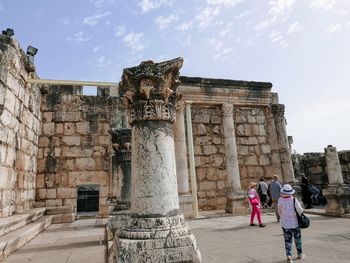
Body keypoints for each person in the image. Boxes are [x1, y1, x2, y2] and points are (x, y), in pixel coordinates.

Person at [278, 184, 306, 262]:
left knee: (287, 240)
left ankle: (289, 255)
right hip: (295, 223)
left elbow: (279, 211)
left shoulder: (280, 200)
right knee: (298, 239)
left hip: (285, 224)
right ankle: (299, 254)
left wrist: (283, 217)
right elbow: (300, 210)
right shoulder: (294, 199)